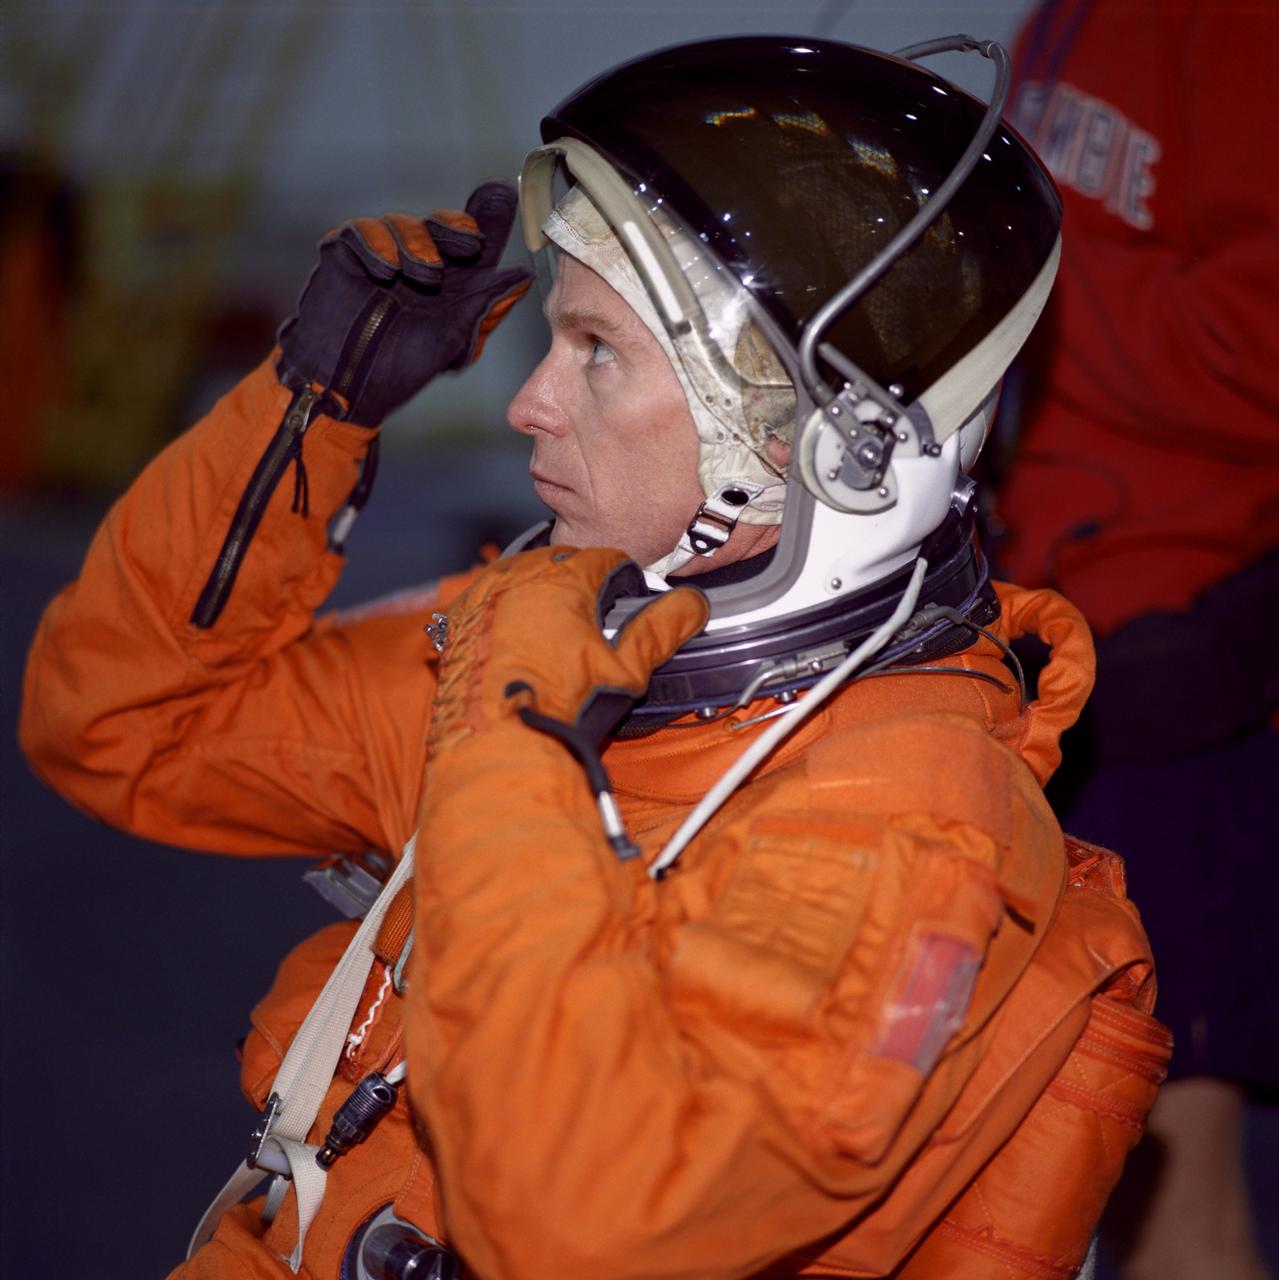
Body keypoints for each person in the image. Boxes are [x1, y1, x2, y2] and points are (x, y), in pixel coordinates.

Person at [21, 34, 1171, 1280]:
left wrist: (513, 731)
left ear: (814, 444)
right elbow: (121, 719)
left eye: (597, 352)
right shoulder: (542, 641)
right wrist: (310, 409)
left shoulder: (912, 819)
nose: (528, 402)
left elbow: (581, 1217)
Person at [988, 2, 1279, 1277]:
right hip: (1052, 628)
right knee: (1059, 1129)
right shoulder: (1062, 15)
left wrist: (1002, 275)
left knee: (1169, 1143)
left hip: (1193, 659)